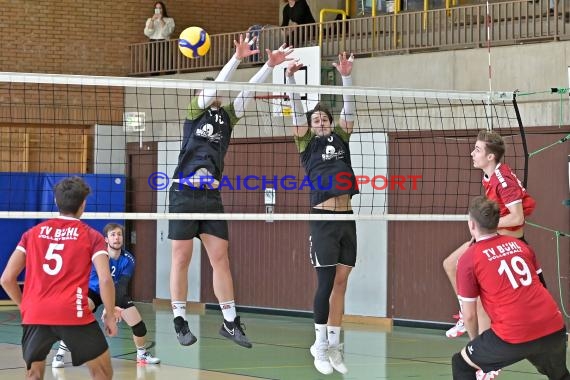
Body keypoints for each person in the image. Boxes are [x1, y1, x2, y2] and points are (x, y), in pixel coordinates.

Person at [168, 35, 294, 349]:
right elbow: (215, 87)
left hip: (210, 197)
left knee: (221, 259)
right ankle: (180, 319)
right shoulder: (194, 112)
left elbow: (247, 91)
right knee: (181, 258)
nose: (213, 94)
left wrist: (268, 65)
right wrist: (236, 58)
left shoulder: (227, 117)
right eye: (208, 91)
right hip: (184, 193)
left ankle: (230, 321)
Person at [0, 177, 117, 380]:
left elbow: (7, 279)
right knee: (102, 373)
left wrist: (25, 306)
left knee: (34, 375)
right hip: (73, 312)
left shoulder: (31, 234)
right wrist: (109, 314)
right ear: (83, 204)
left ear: (55, 202)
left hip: (36, 313)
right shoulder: (92, 237)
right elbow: (105, 280)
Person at [286, 52, 358, 375]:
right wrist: (291, 80)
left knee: (342, 283)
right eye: (316, 120)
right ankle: (319, 345)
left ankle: (334, 345)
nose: (320, 122)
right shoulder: (307, 145)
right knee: (326, 283)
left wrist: (346, 77)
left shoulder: (341, 138)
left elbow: (350, 111)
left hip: (347, 217)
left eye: (324, 119)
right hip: (323, 219)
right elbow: (298, 112)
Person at [452, 196, 569, 380]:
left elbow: (469, 315)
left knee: (461, 364)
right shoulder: (521, 246)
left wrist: (477, 344)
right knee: (560, 376)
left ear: (472, 225)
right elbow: (542, 286)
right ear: (497, 222)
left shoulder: (469, 258)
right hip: (554, 327)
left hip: (513, 334)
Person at [443, 130, 536, 339]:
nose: (472, 153)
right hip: (492, 234)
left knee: (479, 295)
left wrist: (488, 226)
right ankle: (464, 318)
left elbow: (517, 218)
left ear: (490, 156)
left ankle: (480, 345)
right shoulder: (489, 176)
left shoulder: (504, 181)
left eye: (477, 150)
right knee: (450, 264)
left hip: (506, 237)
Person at [52, 223, 160, 368]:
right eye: (113, 235)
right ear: (106, 240)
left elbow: (121, 285)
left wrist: (112, 306)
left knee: (139, 325)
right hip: (94, 290)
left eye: (119, 234)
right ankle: (59, 354)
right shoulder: (99, 255)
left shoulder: (129, 259)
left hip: (116, 291)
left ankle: (142, 354)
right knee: (78, 316)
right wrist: (109, 309)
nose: (117, 238)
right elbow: (100, 281)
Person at [144, 1, 175, 73]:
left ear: (163, 9)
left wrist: (161, 19)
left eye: (160, 8)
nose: (159, 10)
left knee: (168, 64)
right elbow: (148, 33)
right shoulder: (150, 20)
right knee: (153, 65)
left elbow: (167, 32)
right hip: (152, 43)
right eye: (156, 8)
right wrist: (152, 20)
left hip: (164, 43)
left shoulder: (169, 20)